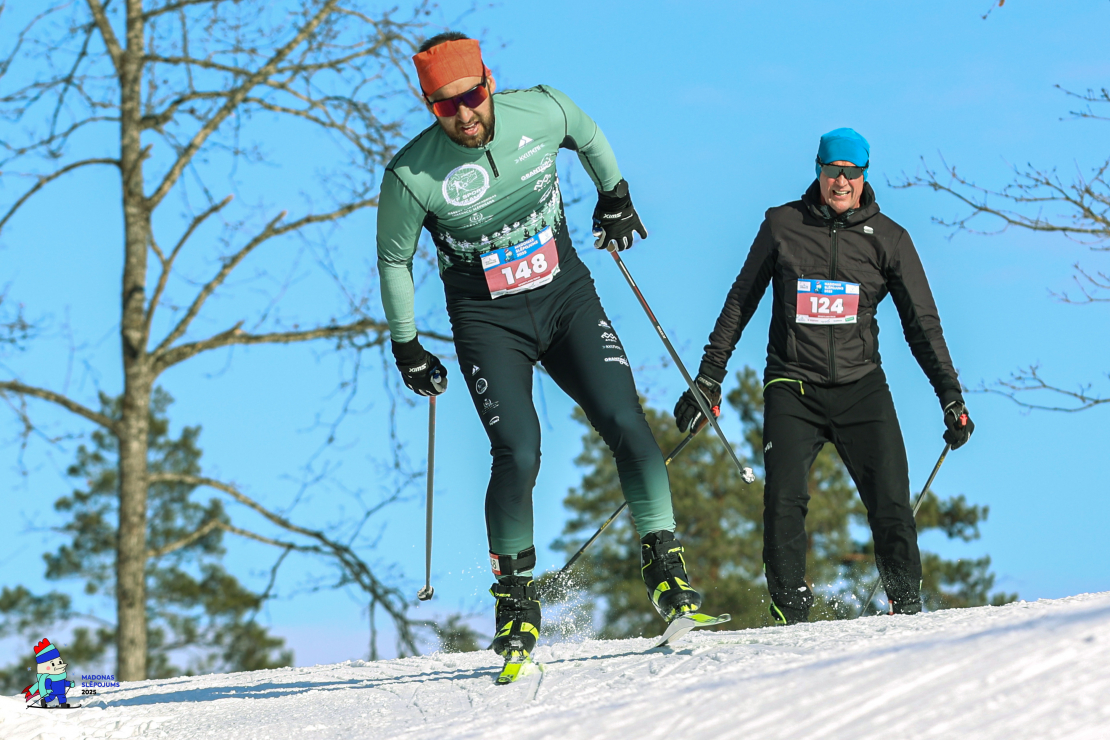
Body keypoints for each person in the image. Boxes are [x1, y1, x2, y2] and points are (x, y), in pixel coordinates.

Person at [376, 33, 704, 663]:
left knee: (626, 422)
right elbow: (394, 261)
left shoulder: (542, 109)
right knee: (519, 450)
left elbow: (589, 134)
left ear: (488, 82)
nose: (464, 115)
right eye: (445, 106)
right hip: (486, 317)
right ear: (429, 105)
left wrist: (615, 194)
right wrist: (407, 345)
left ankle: (665, 567)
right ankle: (517, 600)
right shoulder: (411, 173)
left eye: (471, 96)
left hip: (565, 298)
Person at [674, 128, 974, 624]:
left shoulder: (891, 239)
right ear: (817, 171)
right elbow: (740, 302)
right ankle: (790, 606)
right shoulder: (781, 226)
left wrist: (950, 396)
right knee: (784, 498)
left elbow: (922, 324)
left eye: (851, 173)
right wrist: (709, 378)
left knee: (892, 503)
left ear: (863, 177)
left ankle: (907, 607)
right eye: (832, 171)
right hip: (793, 385)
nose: (841, 182)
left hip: (862, 387)